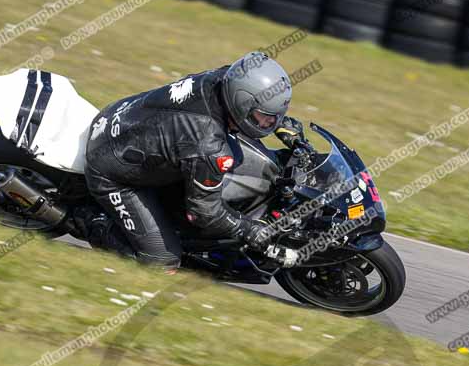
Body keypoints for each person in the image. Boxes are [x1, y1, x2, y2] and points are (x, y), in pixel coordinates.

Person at [76, 52, 307, 272]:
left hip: (123, 119)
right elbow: (205, 213)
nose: (269, 123)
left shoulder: (225, 78)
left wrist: (281, 124)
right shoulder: (208, 144)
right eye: (265, 118)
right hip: (111, 171)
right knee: (163, 261)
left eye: (273, 118)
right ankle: (87, 218)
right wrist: (247, 228)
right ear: (242, 103)